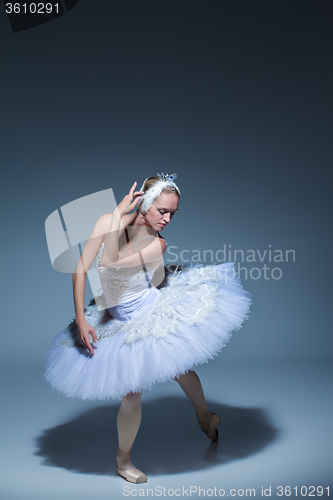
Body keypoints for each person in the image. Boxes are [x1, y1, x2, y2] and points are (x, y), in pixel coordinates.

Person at [44, 173, 252, 484]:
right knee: (135, 391)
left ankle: (203, 417)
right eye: (162, 211)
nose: (168, 219)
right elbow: (81, 269)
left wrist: (117, 214)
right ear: (145, 204)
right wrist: (81, 317)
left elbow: (108, 264)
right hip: (117, 315)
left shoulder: (157, 244)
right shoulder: (106, 220)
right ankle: (125, 459)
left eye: (173, 213)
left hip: (146, 312)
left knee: (178, 368)